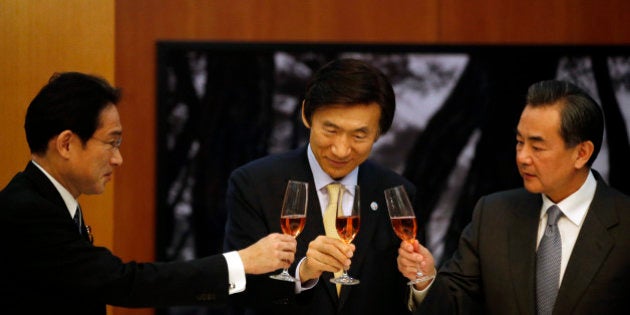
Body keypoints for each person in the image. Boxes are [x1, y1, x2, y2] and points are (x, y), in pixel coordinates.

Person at [0, 72, 297, 314]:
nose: (118, 159)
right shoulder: (27, 211)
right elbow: (124, 283)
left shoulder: (44, 200)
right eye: (111, 142)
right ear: (66, 144)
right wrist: (241, 262)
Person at [398, 79, 630, 314]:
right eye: (520, 142)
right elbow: (455, 304)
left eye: (537, 147)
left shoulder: (624, 223)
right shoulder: (494, 214)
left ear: (581, 153)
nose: (522, 157)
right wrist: (425, 277)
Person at [223, 58, 417, 314]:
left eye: (359, 136)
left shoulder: (396, 192)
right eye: (330, 130)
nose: (341, 149)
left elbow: (400, 298)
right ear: (306, 115)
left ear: (379, 133)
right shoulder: (255, 184)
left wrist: (422, 282)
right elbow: (239, 292)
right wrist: (303, 275)